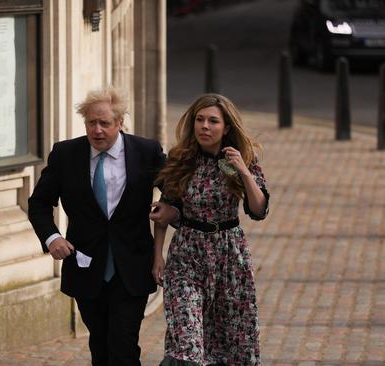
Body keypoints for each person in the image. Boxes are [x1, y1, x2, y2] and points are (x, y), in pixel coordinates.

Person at [28, 86, 177, 366]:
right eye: (91, 123)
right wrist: (52, 238)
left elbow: (174, 190)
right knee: (100, 345)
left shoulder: (146, 151)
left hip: (131, 266)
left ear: (120, 123)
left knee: (123, 345)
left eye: (104, 123)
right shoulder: (65, 154)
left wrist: (171, 208)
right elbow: (38, 203)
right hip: (86, 266)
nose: (97, 130)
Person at [152, 93, 269, 365]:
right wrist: (157, 255)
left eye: (213, 121)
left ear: (226, 127)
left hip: (229, 258)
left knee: (231, 342)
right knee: (186, 339)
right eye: (200, 119)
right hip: (186, 256)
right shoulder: (182, 159)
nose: (205, 126)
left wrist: (243, 171)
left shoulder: (236, 162)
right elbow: (164, 207)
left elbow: (259, 209)